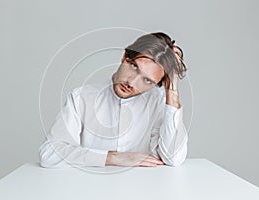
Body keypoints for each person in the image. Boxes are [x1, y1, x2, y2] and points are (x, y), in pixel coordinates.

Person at [39, 32, 188, 168]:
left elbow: (173, 158)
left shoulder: (159, 103)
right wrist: (112, 158)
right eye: (134, 67)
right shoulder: (82, 98)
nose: (132, 83)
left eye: (147, 81)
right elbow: (49, 154)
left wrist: (172, 90)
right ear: (124, 57)